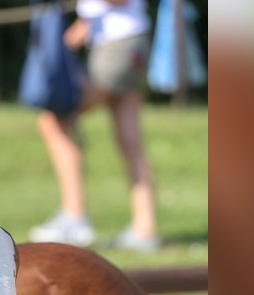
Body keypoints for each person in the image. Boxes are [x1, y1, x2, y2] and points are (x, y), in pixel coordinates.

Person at [30, 0, 159, 250]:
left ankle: (75, 215)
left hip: (116, 49)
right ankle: (146, 229)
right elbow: (96, 17)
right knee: (130, 142)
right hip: (129, 45)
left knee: (55, 120)